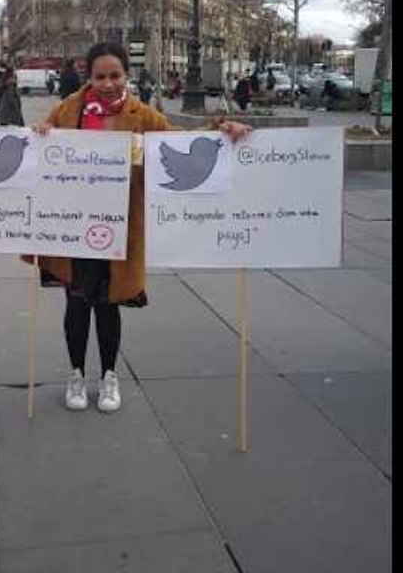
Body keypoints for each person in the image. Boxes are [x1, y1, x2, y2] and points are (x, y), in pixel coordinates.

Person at [26, 41, 251, 412]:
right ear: (89, 76)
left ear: (126, 75)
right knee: (77, 304)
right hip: (74, 225)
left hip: (120, 227)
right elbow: (43, 136)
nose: (108, 83)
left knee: (109, 302)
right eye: (100, 76)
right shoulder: (70, 108)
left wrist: (221, 129)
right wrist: (41, 132)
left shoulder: (142, 115)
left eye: (115, 75)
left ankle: (109, 376)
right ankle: (77, 374)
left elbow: (180, 142)